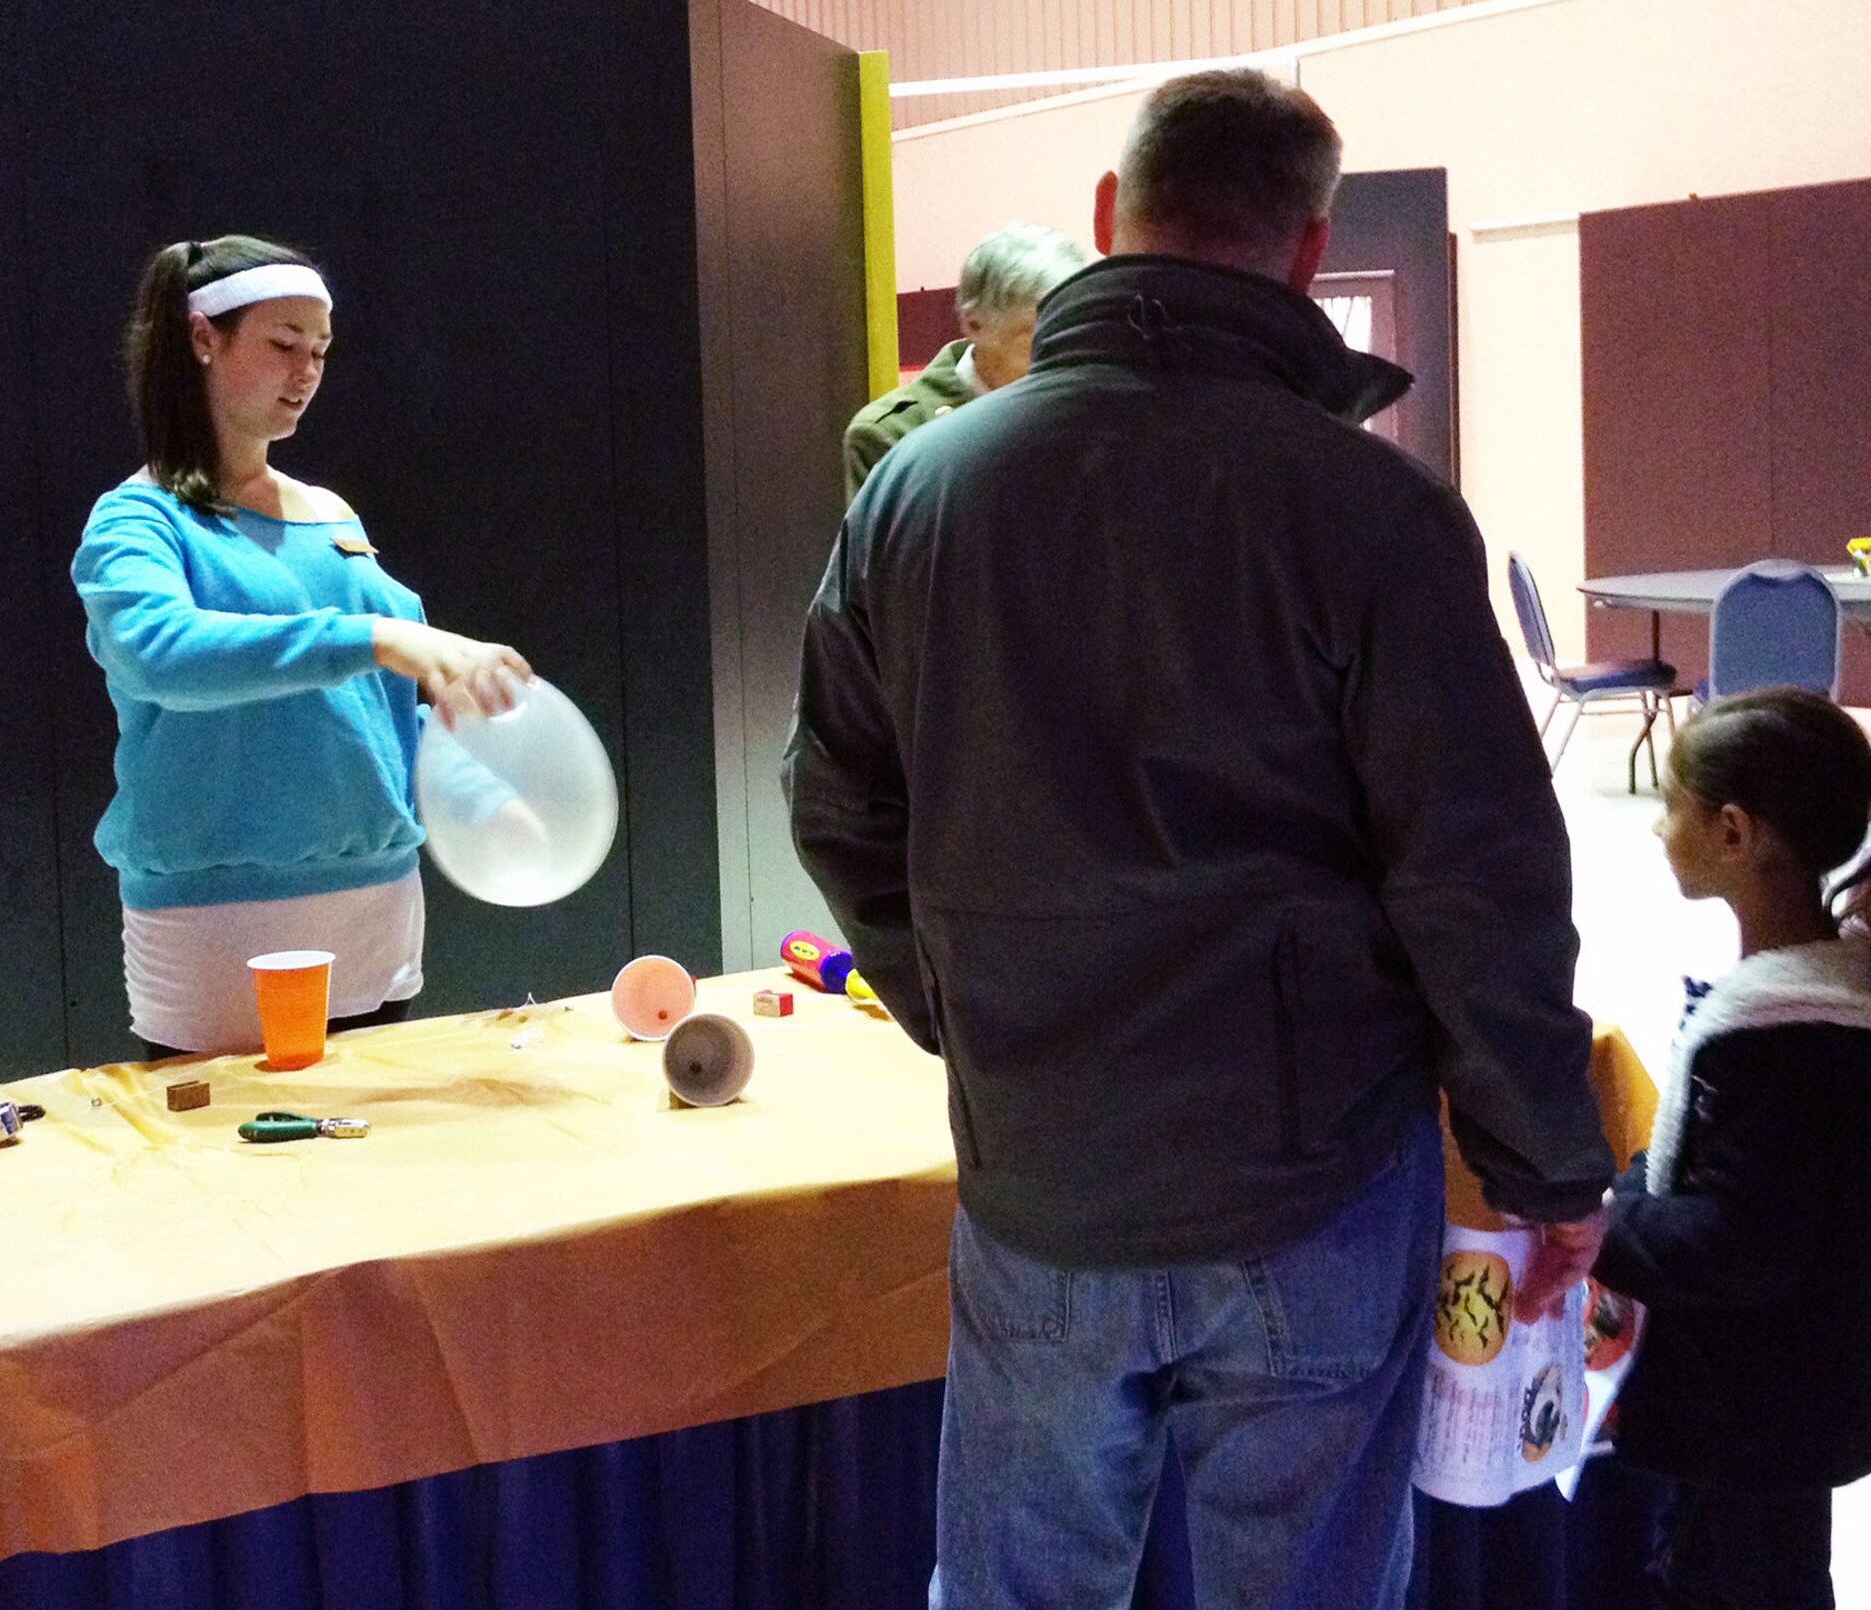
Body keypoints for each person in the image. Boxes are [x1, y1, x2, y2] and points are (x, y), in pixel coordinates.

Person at [783, 70, 1613, 1607]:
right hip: (1311, 1184)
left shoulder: (919, 493)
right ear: (1307, 254)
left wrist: (967, 1008)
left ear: (1109, 218)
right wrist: (1547, 1156)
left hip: (1041, 1175)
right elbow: (1480, 879)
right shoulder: (1374, 512)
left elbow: (838, 802)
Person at [74, 235, 530, 1060]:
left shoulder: (330, 514)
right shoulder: (140, 520)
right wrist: (377, 637)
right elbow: (161, 653)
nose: (306, 370)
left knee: (370, 1162)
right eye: (283, 344)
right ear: (201, 338)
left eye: (319, 350)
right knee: (236, 1169)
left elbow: (366, 703)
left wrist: (473, 765)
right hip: (217, 920)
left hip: (377, 903)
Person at [1591, 687, 1871, 1610]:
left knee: (1732, 1584)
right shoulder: (1804, 1000)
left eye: (1674, 806)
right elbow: (1703, 1162)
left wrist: (1599, 1229)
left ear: (1735, 834)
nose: (1658, 827)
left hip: (1753, 1415)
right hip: (1787, 1405)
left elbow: (1737, 1242)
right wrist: (1634, 1191)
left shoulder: (1789, 1036)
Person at [841, 221, 1086, 497]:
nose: (1065, 353)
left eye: (1076, 330)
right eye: (1036, 336)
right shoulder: (893, 435)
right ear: (974, 324)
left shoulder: (1096, 415)